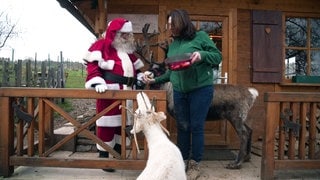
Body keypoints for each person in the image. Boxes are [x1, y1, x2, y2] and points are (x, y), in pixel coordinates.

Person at [143, 9, 222, 180]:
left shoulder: (200, 37)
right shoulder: (174, 44)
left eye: (172, 24)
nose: (169, 27)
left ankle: (195, 164)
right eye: (168, 24)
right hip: (180, 91)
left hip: (200, 89)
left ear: (182, 22)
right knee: (183, 127)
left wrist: (202, 55)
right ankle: (182, 161)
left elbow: (217, 56)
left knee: (196, 127)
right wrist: (154, 80)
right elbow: (172, 73)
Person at [83, 18, 144, 172]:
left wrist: (141, 78)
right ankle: (104, 157)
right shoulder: (101, 45)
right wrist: (97, 82)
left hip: (127, 92)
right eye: (123, 34)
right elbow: (92, 66)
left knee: (121, 124)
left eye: (128, 34)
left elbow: (136, 71)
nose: (126, 37)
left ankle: (117, 153)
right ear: (114, 33)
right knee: (106, 124)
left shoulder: (127, 51)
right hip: (108, 91)